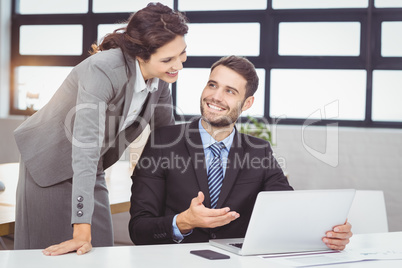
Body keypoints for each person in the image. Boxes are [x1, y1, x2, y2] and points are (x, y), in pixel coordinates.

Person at [13, 2, 188, 256]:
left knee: (101, 250)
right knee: (49, 255)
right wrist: (81, 229)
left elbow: (166, 140)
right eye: (168, 59)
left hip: (91, 165)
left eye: (182, 54)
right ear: (141, 54)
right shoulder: (103, 70)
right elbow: (85, 145)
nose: (178, 65)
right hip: (47, 161)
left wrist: (185, 200)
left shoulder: (160, 81)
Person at [129, 56, 352, 249]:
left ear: (247, 103)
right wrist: (183, 222)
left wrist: (330, 232)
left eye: (230, 91)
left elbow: (288, 210)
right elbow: (138, 229)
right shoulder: (163, 142)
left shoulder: (259, 151)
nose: (215, 97)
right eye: (212, 85)